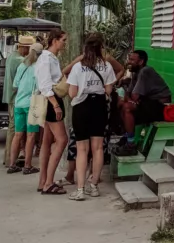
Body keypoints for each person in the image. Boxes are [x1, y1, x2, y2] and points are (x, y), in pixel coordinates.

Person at [62, 48, 124, 186]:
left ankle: (88, 179)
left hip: (87, 103)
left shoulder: (104, 60)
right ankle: (77, 176)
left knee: (85, 145)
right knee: (92, 145)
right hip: (98, 103)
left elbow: (120, 70)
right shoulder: (85, 62)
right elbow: (66, 71)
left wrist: (109, 84)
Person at [66, 33, 116, 201]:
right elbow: (109, 90)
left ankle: (79, 189)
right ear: (100, 48)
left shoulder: (78, 67)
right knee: (98, 148)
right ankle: (93, 185)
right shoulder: (107, 66)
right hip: (99, 106)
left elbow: (72, 93)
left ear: (85, 49)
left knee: (82, 149)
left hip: (82, 107)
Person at [112, 51, 171, 157]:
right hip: (149, 103)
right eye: (129, 59)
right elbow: (129, 96)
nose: (129, 62)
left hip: (161, 107)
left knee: (127, 108)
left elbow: (134, 97)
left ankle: (130, 145)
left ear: (141, 61)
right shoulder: (136, 73)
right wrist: (126, 85)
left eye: (132, 60)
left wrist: (129, 95)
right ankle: (127, 136)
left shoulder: (145, 71)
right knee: (121, 104)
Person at [36, 28, 68, 195]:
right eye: (63, 40)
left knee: (47, 141)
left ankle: (44, 180)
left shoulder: (51, 58)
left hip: (52, 99)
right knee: (62, 140)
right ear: (55, 40)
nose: (64, 43)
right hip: (51, 100)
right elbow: (45, 84)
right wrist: (55, 104)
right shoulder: (46, 59)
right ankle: (48, 182)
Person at [6, 42, 43, 175]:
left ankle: (12, 165)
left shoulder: (22, 65)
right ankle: (27, 165)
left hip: (18, 103)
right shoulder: (38, 68)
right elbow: (40, 87)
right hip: (33, 103)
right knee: (31, 135)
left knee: (17, 134)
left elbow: (15, 84)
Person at [3, 35, 35, 165]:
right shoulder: (20, 60)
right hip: (16, 97)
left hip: (12, 97)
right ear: (25, 48)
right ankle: (10, 158)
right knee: (14, 129)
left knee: (14, 129)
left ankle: (10, 158)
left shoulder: (11, 56)